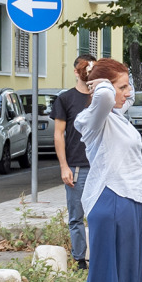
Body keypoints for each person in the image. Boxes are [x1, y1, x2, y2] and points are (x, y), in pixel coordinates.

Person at [73, 58, 142, 282]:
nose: (127, 93)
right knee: (111, 275)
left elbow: (121, 97)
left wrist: (112, 76)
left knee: (112, 273)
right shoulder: (95, 116)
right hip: (113, 198)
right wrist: (98, 80)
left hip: (126, 198)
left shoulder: (117, 115)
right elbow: (105, 96)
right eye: (122, 86)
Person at [51, 54, 96, 270]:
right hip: (76, 167)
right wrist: (64, 167)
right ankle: (80, 260)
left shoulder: (100, 97)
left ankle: (99, 257)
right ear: (76, 71)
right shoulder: (65, 99)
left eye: (91, 69)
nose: (87, 73)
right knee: (76, 216)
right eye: (83, 69)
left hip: (99, 166)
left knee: (99, 215)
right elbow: (59, 134)